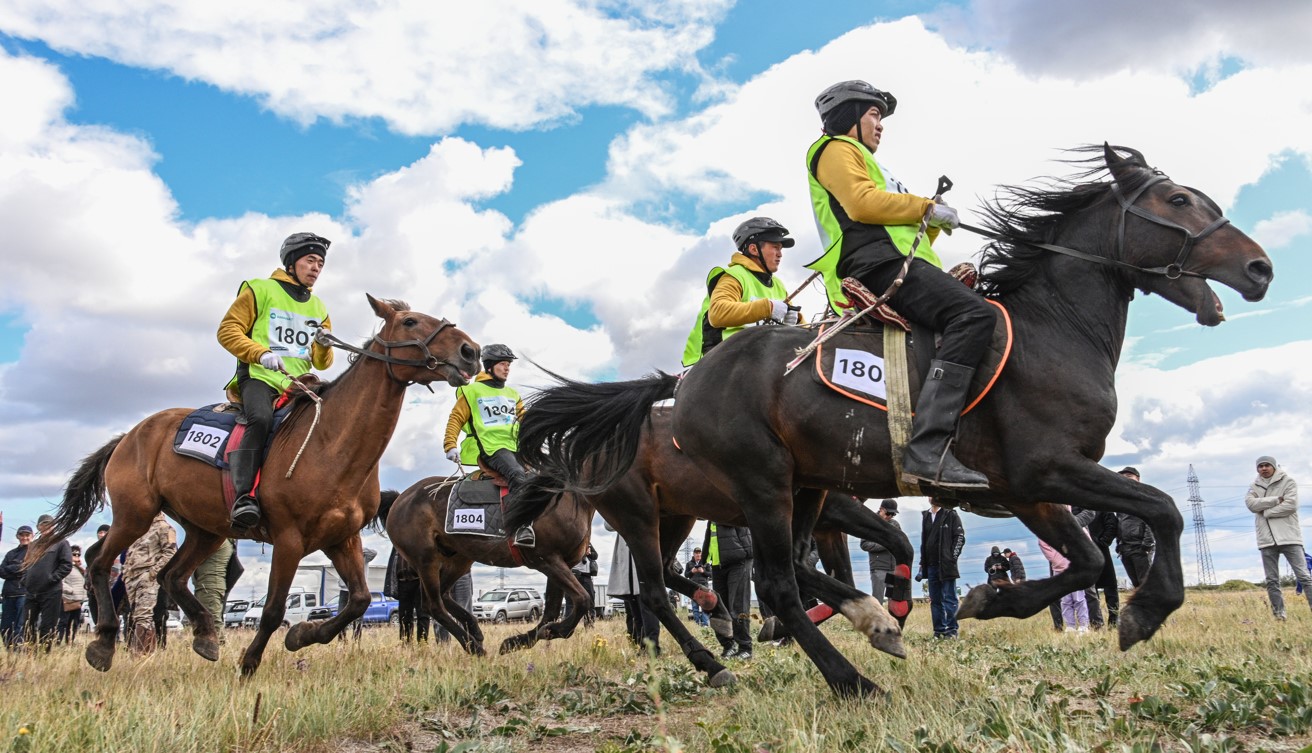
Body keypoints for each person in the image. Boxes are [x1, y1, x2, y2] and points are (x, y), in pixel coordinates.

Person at [807, 81, 996, 491]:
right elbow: (861, 204)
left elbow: (907, 230)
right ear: (849, 116)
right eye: (874, 114)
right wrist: (928, 208)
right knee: (973, 314)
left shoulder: (880, 168)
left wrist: (932, 223)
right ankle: (928, 450)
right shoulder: (836, 148)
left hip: (897, 259)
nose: (880, 125)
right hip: (877, 263)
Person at [218, 232, 335, 530]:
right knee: (260, 418)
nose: (316, 268)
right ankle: (244, 497)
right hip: (259, 377)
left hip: (301, 385)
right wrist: (259, 353)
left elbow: (323, 362)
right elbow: (228, 331)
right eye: (311, 260)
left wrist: (322, 344)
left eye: (320, 263)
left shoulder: (320, 308)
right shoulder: (260, 289)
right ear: (292, 262)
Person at [442, 344, 535, 547]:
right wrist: (450, 444)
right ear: (490, 366)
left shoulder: (512, 393)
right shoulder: (472, 390)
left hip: (516, 447)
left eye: (509, 364)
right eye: (503, 364)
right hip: (492, 448)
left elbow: (525, 420)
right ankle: (519, 527)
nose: (507, 368)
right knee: (517, 475)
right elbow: (456, 418)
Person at [681, 217, 804, 367]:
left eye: (780, 248)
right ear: (754, 249)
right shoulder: (733, 276)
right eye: (775, 247)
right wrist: (768, 308)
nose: (780, 254)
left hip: (757, 358)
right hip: (715, 363)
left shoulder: (778, 285)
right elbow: (717, 314)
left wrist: (797, 321)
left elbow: (801, 326)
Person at [1245, 456, 1311, 620]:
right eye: (1260, 466)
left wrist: (1266, 511)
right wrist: (1276, 500)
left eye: (1267, 465)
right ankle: (1279, 615)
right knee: (1272, 581)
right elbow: (1251, 504)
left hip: (1290, 537)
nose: (1263, 468)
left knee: (1304, 576)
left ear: (1273, 467)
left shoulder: (1287, 482)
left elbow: (1290, 505)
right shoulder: (1254, 486)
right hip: (1266, 540)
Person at [121, 512, 177, 654]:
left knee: (143, 614)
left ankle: (140, 652)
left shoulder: (164, 528)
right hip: (132, 577)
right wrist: (126, 571)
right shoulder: (138, 528)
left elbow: (170, 553)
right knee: (134, 615)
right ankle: (145, 650)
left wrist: (153, 572)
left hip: (147, 577)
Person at [21, 515, 73, 651]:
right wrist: (25, 580)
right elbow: (25, 565)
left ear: (54, 526)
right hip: (31, 591)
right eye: (43, 525)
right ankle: (30, 654)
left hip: (51, 591)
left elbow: (67, 565)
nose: (46, 527)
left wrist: (52, 578)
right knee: (28, 625)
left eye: (49, 524)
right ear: (38, 527)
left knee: (47, 626)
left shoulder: (61, 542)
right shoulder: (33, 545)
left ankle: (44, 654)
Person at [704, 522, 753, 659]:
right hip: (717, 562)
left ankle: (745, 648)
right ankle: (728, 646)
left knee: (739, 605)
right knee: (719, 608)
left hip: (738, 560)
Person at [607, 525, 659, 653]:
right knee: (635, 612)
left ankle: (652, 647)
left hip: (643, 561)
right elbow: (607, 525)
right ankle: (642, 645)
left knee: (647, 609)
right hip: (628, 568)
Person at [917, 499, 964, 638]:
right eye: (930, 495)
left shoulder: (951, 514)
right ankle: (939, 631)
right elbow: (924, 542)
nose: (932, 498)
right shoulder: (926, 516)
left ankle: (951, 630)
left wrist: (951, 558)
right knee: (935, 600)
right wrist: (922, 562)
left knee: (950, 598)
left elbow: (960, 537)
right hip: (930, 565)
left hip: (946, 565)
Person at [1038, 512, 1090, 634]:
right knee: (1065, 600)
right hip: (1059, 570)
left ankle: (1083, 625)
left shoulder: (1076, 524)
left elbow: (1087, 541)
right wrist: (1055, 559)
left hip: (1076, 567)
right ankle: (1070, 626)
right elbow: (1042, 543)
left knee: (1079, 598)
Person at [1113, 467, 1156, 587]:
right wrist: (1119, 544)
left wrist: (1147, 545)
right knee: (1136, 583)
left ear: (1138, 479)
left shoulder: (1144, 497)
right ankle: (1141, 605)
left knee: (1145, 582)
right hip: (1125, 548)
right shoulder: (1121, 501)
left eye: (1129, 476)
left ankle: (1150, 605)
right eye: (1122, 477)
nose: (1125, 479)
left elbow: (1151, 521)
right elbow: (1120, 522)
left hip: (1140, 547)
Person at [192, 539, 241, 643]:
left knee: (212, 621)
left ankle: (219, 647)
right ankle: (219, 646)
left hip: (209, 587)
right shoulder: (224, 541)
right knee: (212, 620)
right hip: (207, 586)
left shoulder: (217, 541)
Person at [859, 499, 901, 603]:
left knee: (894, 600)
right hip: (878, 569)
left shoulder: (895, 524)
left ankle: (894, 619)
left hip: (893, 569)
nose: (890, 516)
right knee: (878, 601)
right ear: (881, 509)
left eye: (893, 514)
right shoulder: (870, 523)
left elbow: (901, 543)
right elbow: (864, 544)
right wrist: (885, 544)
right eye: (888, 513)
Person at [384, 547, 428, 642]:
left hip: (420, 583)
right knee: (404, 617)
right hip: (403, 583)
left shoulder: (420, 540)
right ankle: (405, 644)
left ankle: (422, 644)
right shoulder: (398, 543)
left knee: (423, 615)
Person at [1, 524, 33, 647]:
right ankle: (8, 649)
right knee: (5, 626)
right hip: (8, 594)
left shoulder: (34, 553)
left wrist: (11, 569)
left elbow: (28, 569)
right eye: (22, 535)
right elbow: (1, 571)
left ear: (32, 536)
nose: (24, 537)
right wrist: (18, 569)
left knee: (20, 625)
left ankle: (18, 651)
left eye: (27, 535)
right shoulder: (11, 553)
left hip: (23, 593)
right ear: (17, 536)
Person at [57, 544, 86, 643]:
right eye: (74, 554)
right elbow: (61, 581)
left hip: (78, 600)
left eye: (78, 555)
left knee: (75, 622)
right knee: (64, 621)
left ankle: (70, 641)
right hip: (67, 599)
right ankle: (58, 640)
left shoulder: (79, 569)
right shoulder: (66, 567)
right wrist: (70, 590)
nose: (76, 556)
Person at [567, 542, 598, 625]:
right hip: (572, 575)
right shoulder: (568, 541)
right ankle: (568, 626)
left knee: (590, 600)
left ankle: (590, 624)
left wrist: (589, 553)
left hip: (586, 576)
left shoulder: (587, 543)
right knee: (570, 601)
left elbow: (595, 556)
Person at [686, 546, 711, 626]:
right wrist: (691, 571)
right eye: (696, 553)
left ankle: (705, 625)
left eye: (699, 553)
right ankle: (697, 624)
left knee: (704, 606)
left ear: (701, 554)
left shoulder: (706, 563)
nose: (698, 554)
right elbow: (686, 575)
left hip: (704, 587)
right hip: (693, 588)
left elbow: (711, 575)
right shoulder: (689, 564)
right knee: (695, 607)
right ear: (693, 554)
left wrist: (703, 571)